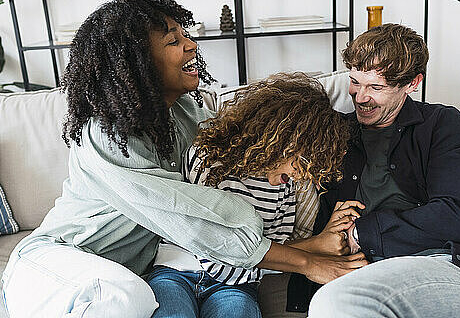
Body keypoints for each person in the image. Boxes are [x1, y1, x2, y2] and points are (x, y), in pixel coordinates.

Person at [1, 0, 364, 318]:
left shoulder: (188, 113)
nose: (191, 45)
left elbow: (254, 146)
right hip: (60, 264)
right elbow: (196, 220)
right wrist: (307, 260)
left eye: (185, 34)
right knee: (127, 299)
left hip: (127, 276)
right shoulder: (106, 134)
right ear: (137, 62)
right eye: (173, 41)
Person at [287, 23, 460, 317]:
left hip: (440, 265)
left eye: (376, 87)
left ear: (412, 83)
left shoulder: (442, 126)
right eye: (355, 82)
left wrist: (361, 232)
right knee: (333, 303)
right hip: (356, 272)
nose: (359, 97)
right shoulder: (336, 133)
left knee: (336, 304)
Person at [147, 72, 362, 318]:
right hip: (175, 272)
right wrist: (313, 252)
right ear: (280, 140)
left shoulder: (286, 185)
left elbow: (270, 253)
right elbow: (219, 257)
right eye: (302, 159)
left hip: (235, 288)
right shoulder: (208, 158)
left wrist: (316, 245)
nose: (302, 174)